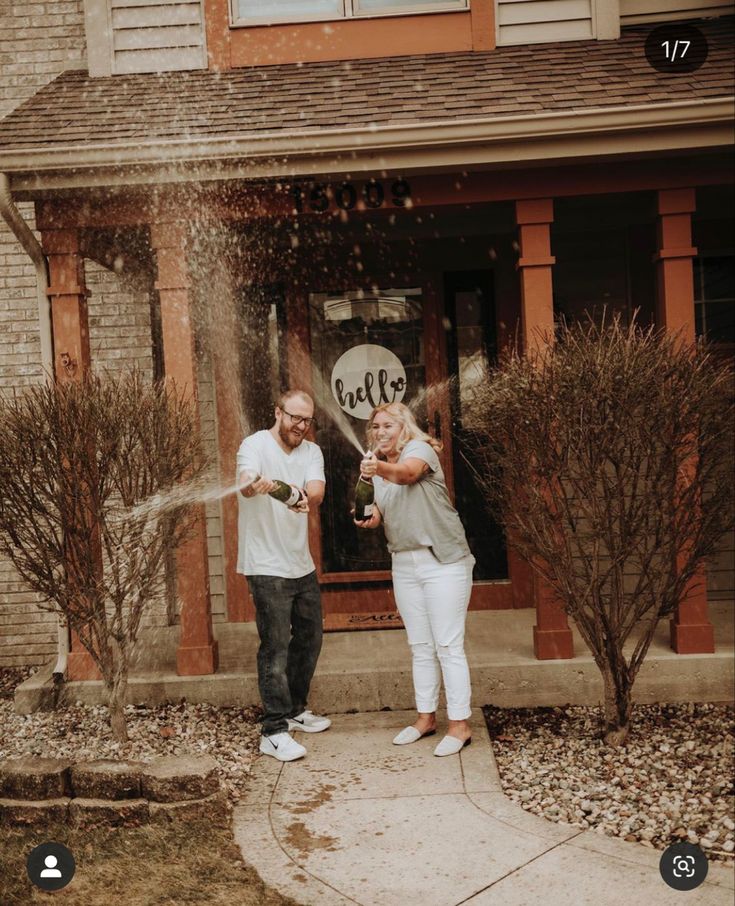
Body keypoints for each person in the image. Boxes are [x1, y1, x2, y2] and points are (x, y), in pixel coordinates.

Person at [355, 402, 475, 756]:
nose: (381, 432)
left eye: (388, 425)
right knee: (420, 646)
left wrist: (377, 468)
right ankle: (426, 719)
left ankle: (460, 725)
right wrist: (365, 516)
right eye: (376, 427)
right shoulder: (379, 471)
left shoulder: (419, 451)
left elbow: (407, 474)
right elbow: (377, 514)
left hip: (443, 561)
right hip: (404, 563)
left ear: (404, 427)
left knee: (448, 646)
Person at [237, 389, 330, 762]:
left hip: (300, 564)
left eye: (307, 420)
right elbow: (245, 484)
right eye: (295, 417)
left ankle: (295, 711)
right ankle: (273, 731)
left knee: (310, 638)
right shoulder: (254, 445)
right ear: (278, 412)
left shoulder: (312, 451)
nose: (301, 426)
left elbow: (315, 492)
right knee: (275, 646)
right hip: (265, 565)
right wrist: (255, 484)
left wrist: (300, 495)